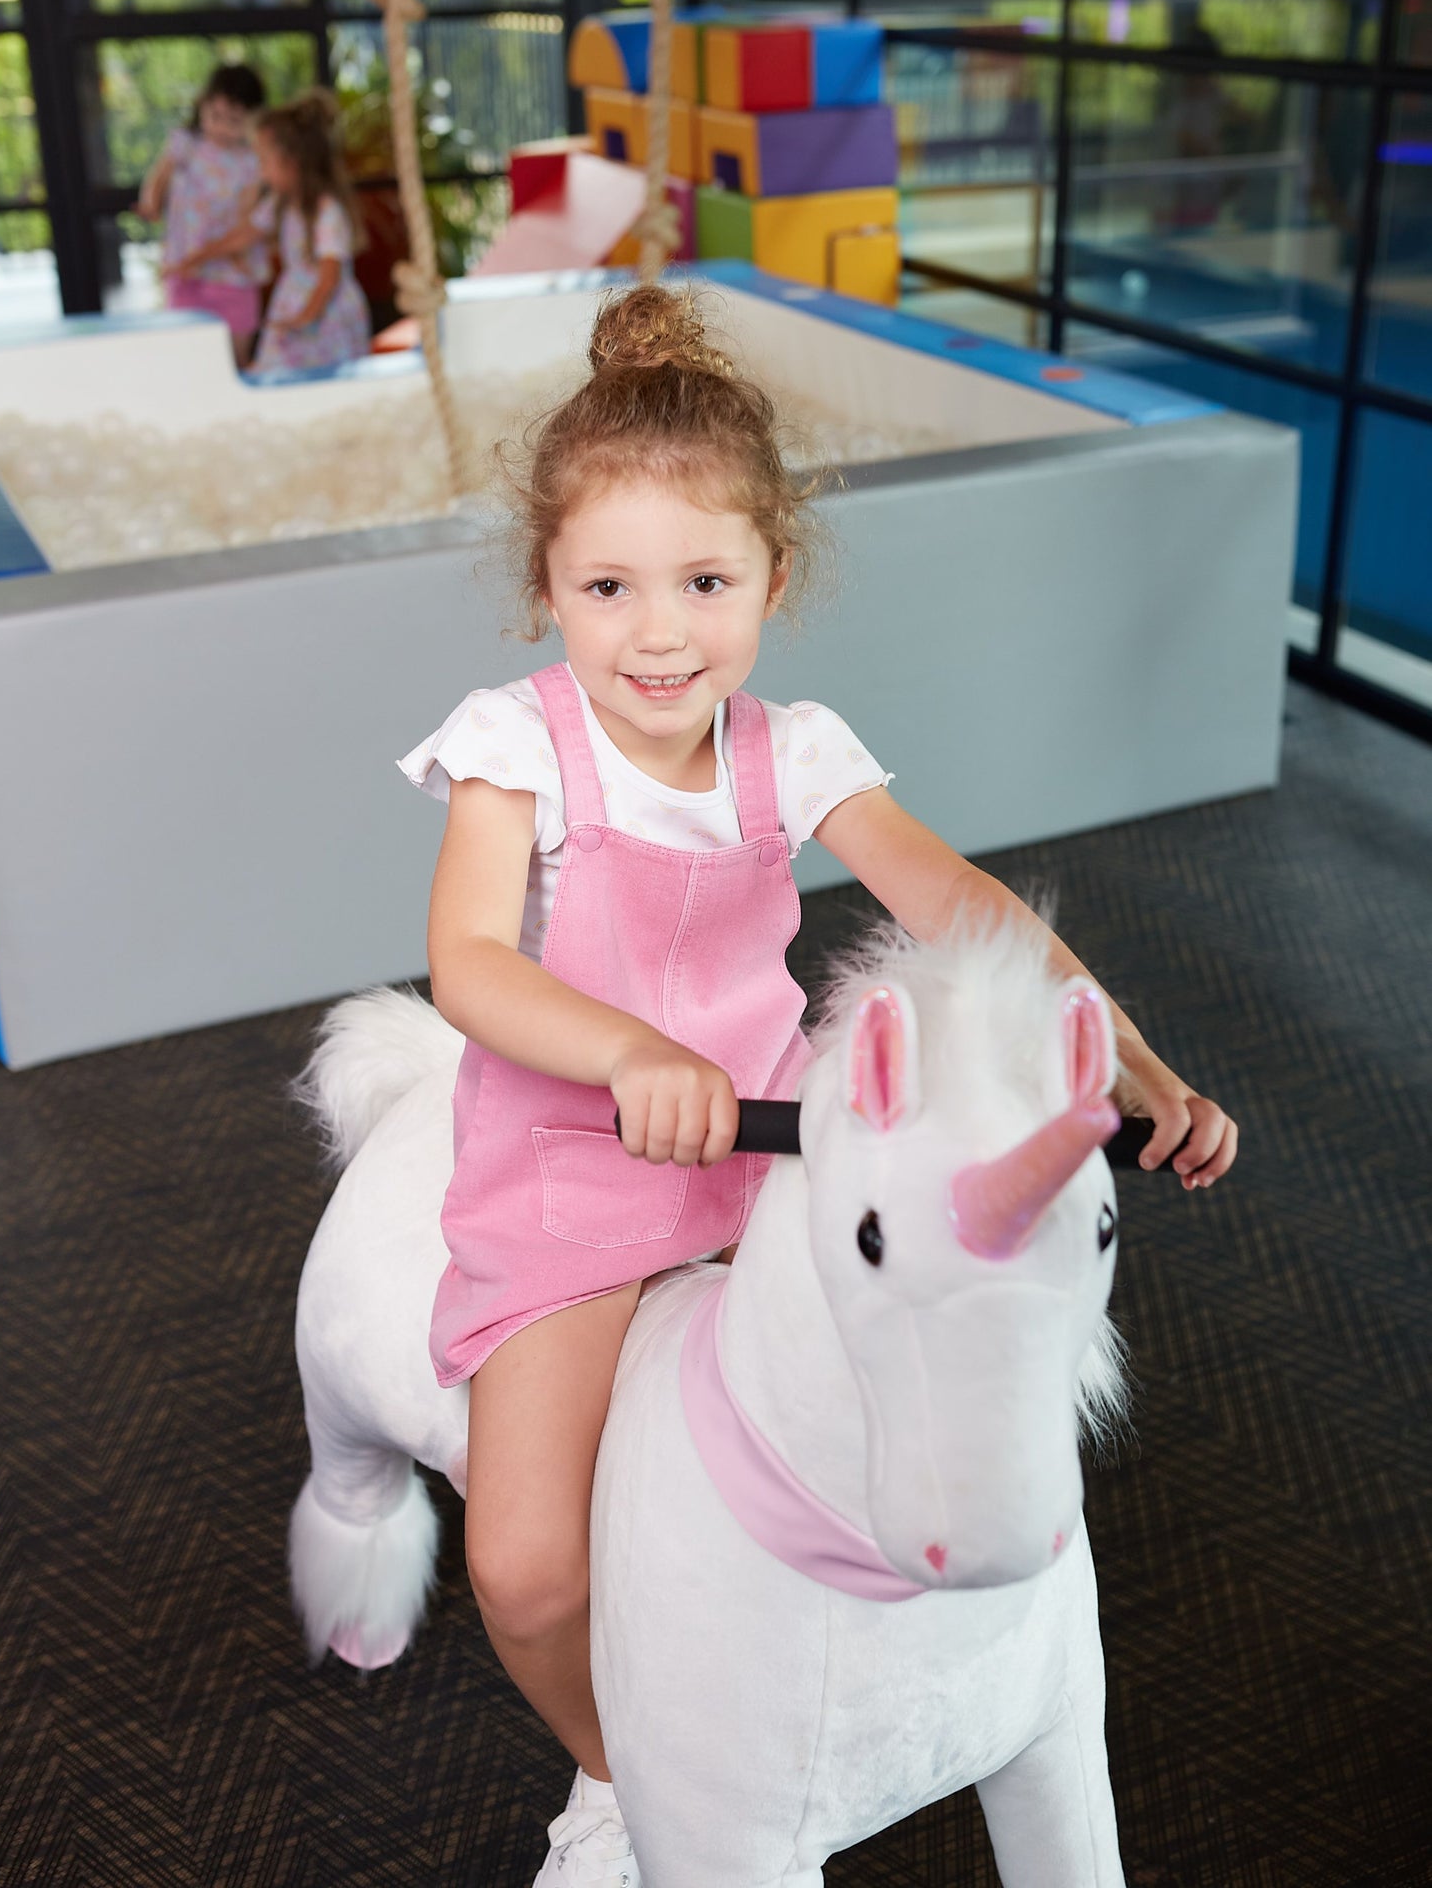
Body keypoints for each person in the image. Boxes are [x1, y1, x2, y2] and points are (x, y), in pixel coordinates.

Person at [399, 282, 1238, 1888]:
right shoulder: (514, 743)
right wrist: (634, 1054)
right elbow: (469, 967)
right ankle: (617, 1771)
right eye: (610, 587)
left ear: (774, 579)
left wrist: (1131, 1056)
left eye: (706, 583)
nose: (660, 631)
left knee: (920, 1353)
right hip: (579, 1167)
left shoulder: (795, 748)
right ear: (545, 592)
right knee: (521, 1569)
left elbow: (969, 910)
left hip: (767, 1147)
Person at [176, 87, 370, 379]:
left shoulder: (326, 211)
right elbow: (245, 234)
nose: (261, 173)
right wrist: (198, 257)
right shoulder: (280, 203)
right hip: (293, 301)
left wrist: (307, 316)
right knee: (279, 370)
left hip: (324, 311)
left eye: (265, 162)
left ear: (293, 164)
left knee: (325, 378)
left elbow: (329, 274)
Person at [136, 61, 267, 368]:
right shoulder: (186, 144)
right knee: (187, 355)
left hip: (233, 273)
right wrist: (151, 204)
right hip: (186, 269)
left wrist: (236, 252)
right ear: (202, 108)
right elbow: (158, 179)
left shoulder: (252, 161)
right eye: (215, 116)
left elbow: (247, 215)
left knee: (236, 359)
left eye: (233, 121)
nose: (221, 127)